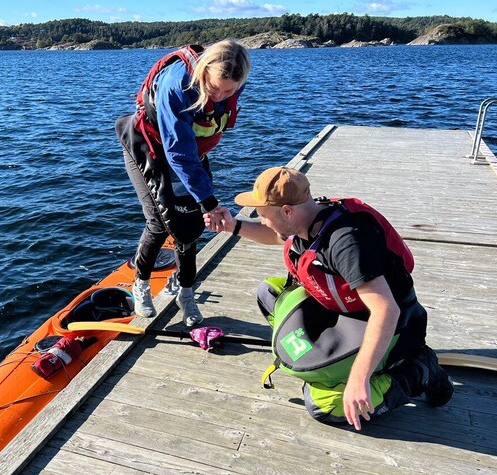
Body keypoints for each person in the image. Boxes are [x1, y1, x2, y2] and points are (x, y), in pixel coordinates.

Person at [206, 167, 454, 430]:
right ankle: (327, 366)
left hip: (382, 324)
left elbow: (385, 310)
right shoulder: (306, 217)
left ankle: (417, 371)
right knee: (268, 293)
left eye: (263, 215)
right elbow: (277, 234)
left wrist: (359, 379)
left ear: (287, 210)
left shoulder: (347, 242)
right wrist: (233, 226)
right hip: (337, 307)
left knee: (323, 405)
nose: (261, 219)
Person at [116, 39, 251, 327]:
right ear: (203, 72)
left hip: (189, 151)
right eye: (215, 88)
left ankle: (185, 291)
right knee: (159, 222)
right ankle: (140, 283)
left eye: (230, 90)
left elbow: (190, 148)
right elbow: (177, 153)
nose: (220, 96)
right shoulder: (176, 85)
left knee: (192, 224)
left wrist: (205, 205)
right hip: (148, 146)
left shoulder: (229, 82)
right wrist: (210, 201)